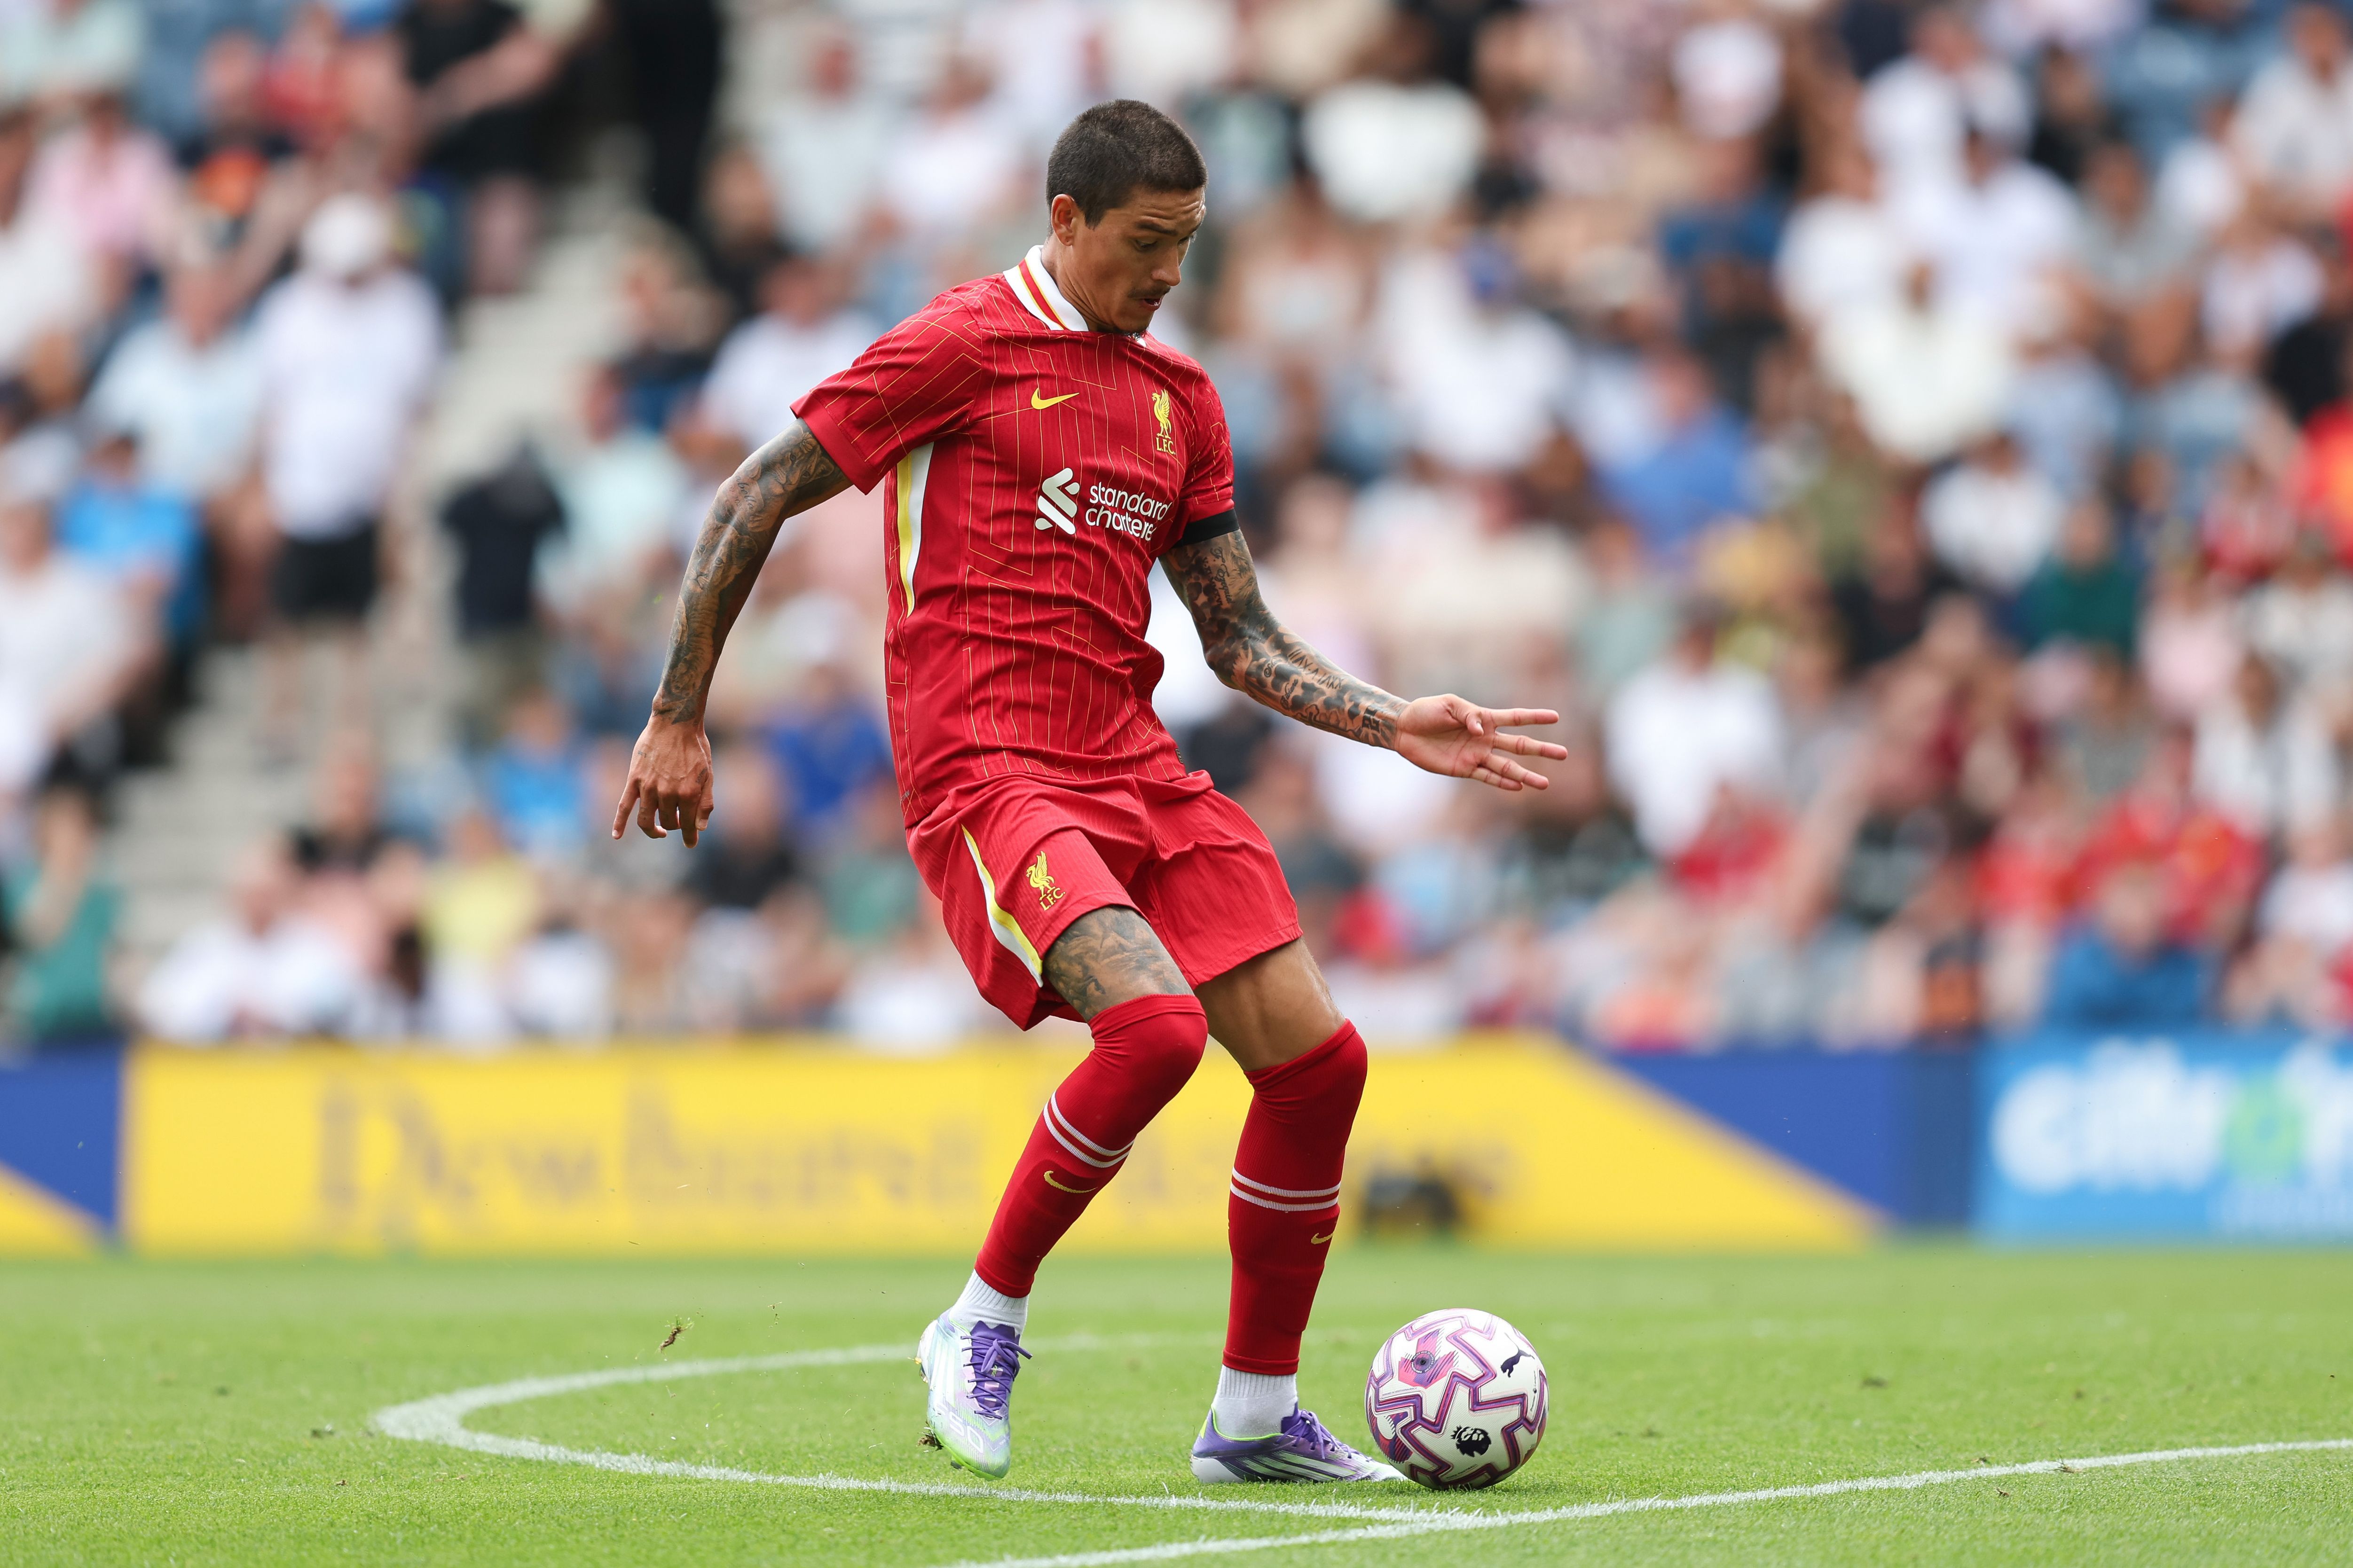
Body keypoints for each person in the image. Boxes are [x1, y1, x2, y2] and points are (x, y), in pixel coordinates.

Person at [611, 101, 1565, 1486]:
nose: (1172, 270)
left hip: (1135, 765)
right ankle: (977, 1320)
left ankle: (1251, 1417)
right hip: (990, 767)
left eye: (1188, 243)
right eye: (1147, 242)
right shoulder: (959, 344)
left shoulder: (1182, 402)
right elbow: (752, 495)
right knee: (1158, 1036)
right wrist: (678, 711)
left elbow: (1237, 639)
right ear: (1067, 221)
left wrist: (1389, 719)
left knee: (1319, 1066)